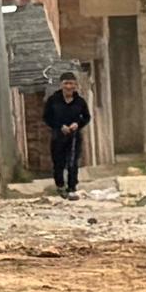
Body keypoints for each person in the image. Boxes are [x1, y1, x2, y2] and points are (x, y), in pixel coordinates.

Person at [42, 68, 92, 196]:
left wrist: (78, 124)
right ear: (61, 85)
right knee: (58, 162)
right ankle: (60, 186)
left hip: (74, 137)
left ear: (75, 85)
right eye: (66, 83)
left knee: (72, 162)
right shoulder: (53, 100)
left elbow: (86, 117)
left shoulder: (80, 102)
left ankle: (72, 188)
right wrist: (59, 126)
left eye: (71, 84)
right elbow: (47, 117)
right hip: (58, 136)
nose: (69, 87)